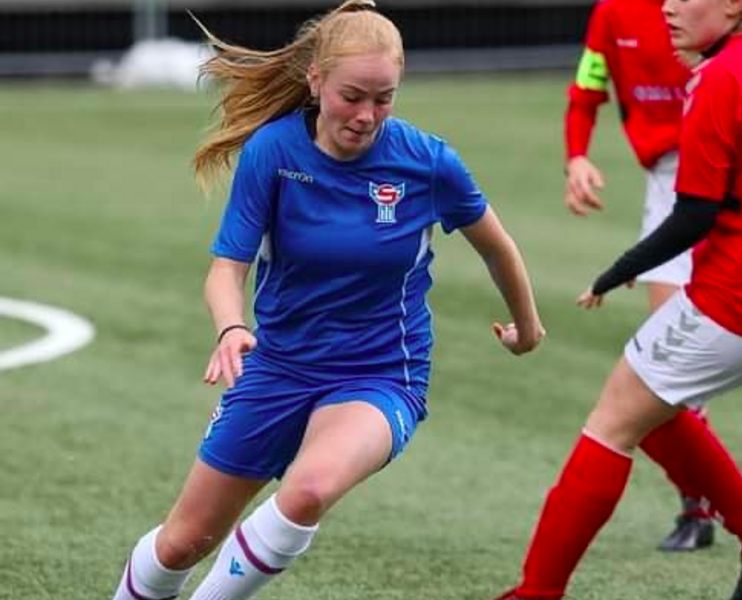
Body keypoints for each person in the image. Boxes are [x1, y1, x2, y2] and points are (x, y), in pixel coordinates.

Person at [109, 2, 545, 599]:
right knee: (183, 542)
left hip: (380, 374)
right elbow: (226, 268)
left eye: (384, 99)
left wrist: (527, 328)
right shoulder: (274, 152)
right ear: (316, 81)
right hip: (279, 367)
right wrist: (231, 328)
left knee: (308, 490)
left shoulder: (428, 162)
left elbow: (497, 247)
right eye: (352, 96)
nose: (367, 116)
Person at [494, 0, 742, 596]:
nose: (669, 5)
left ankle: (537, 592)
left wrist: (616, 272)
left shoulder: (721, 77)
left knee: (611, 422)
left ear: (733, 4)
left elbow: (695, 215)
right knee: (652, 409)